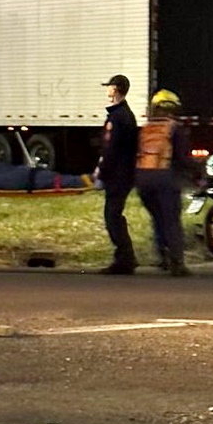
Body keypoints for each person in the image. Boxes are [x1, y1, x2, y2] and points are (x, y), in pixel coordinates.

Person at [134, 89, 196, 277]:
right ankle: (177, 263)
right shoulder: (174, 128)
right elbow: (182, 157)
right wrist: (197, 174)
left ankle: (162, 257)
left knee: (157, 218)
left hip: (143, 179)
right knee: (171, 220)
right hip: (164, 177)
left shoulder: (145, 128)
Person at [94, 74, 139, 274]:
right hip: (122, 174)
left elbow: (112, 148)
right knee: (114, 215)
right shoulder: (123, 114)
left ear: (116, 89)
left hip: (118, 175)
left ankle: (125, 258)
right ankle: (126, 257)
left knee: (112, 216)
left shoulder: (119, 116)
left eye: (109, 86)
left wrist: (102, 173)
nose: (107, 89)